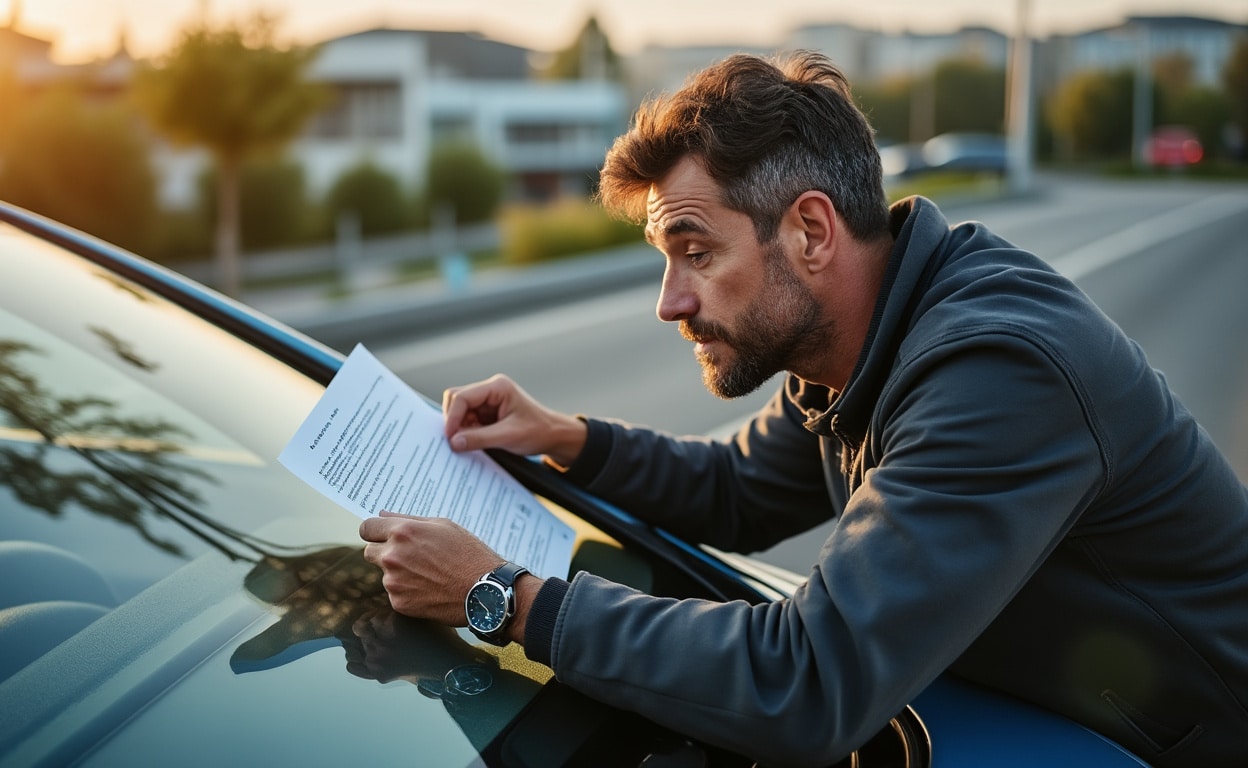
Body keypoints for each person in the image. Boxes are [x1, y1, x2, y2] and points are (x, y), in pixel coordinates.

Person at [359, 51, 1248, 767]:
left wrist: (501, 598)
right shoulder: (857, 329)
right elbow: (741, 488)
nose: (670, 302)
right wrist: (567, 440)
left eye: (696, 252)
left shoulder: (998, 371)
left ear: (811, 231)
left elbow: (809, 684)